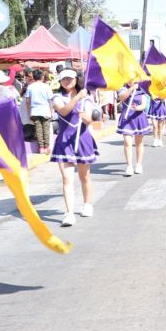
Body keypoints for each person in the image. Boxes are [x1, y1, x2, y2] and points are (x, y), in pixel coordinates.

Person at [50, 70, 98, 227]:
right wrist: (77, 98)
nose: (66, 81)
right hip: (64, 140)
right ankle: (69, 213)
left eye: (69, 78)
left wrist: (86, 117)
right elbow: (63, 111)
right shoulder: (57, 97)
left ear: (76, 79)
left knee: (84, 176)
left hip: (82, 139)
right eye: (63, 79)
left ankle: (87, 204)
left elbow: (90, 120)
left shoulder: (87, 99)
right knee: (66, 178)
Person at [116, 82, 150, 177]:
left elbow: (144, 104)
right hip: (127, 118)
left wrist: (137, 108)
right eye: (129, 79)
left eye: (133, 79)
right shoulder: (122, 88)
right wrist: (131, 89)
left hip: (138, 118)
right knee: (127, 142)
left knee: (139, 143)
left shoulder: (142, 90)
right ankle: (129, 166)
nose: (131, 81)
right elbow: (122, 97)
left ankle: (139, 164)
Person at [24, 69, 53, 155]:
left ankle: (41, 148)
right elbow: (50, 100)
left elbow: (27, 101)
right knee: (46, 130)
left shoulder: (30, 87)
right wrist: (52, 111)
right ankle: (47, 147)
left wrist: (29, 112)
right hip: (45, 110)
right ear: (42, 76)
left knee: (38, 130)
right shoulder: (46, 86)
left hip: (35, 111)